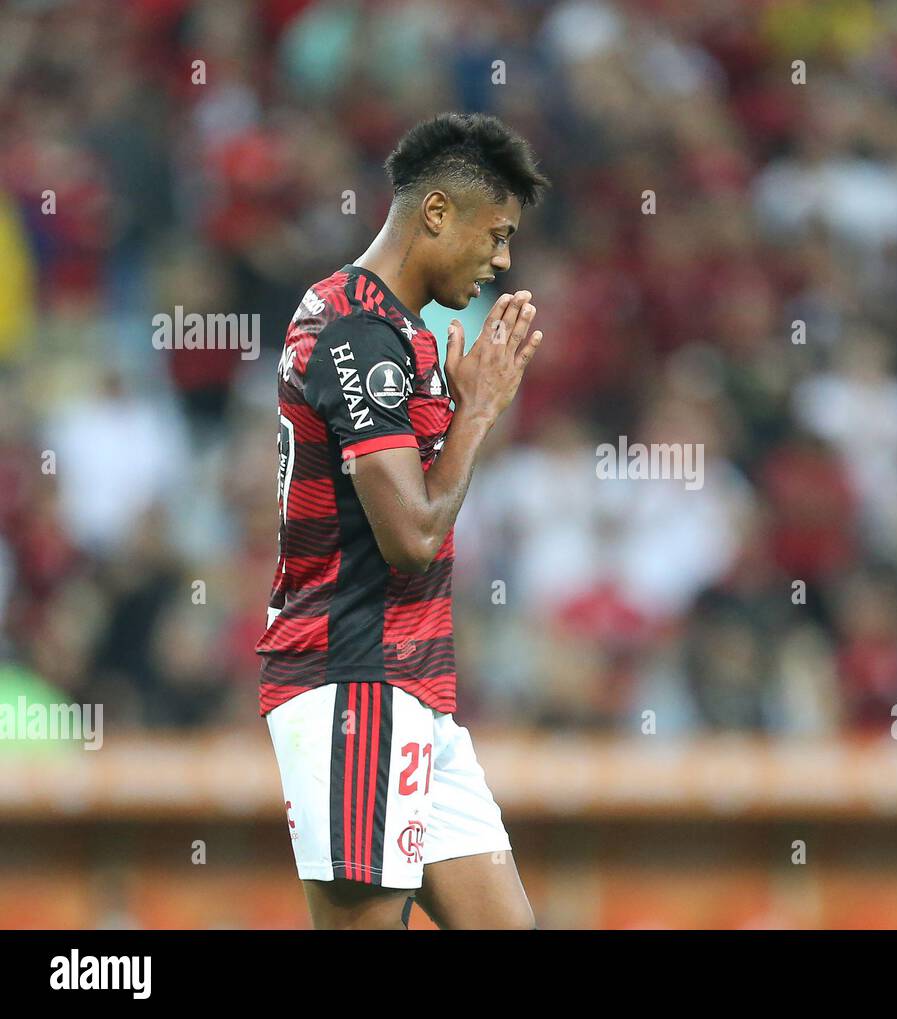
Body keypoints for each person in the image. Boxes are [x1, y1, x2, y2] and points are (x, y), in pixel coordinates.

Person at [255, 112, 549, 929]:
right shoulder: (357, 333)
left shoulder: (403, 336)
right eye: (496, 234)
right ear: (435, 214)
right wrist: (477, 415)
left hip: (411, 688)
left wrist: (459, 413)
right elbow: (410, 538)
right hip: (353, 685)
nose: (502, 260)